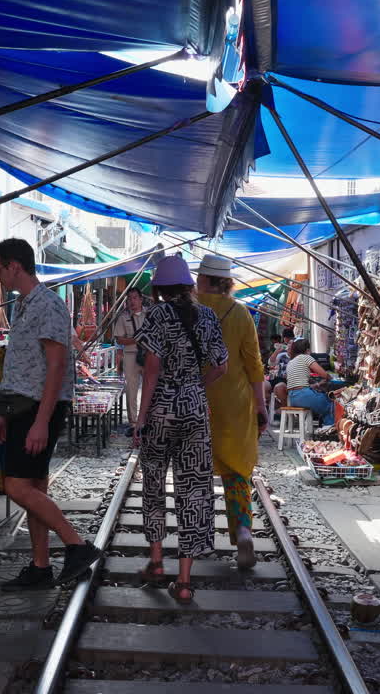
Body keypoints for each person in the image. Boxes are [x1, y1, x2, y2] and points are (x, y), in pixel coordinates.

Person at [0, 238, 100, 591]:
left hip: (40, 407)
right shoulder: (24, 305)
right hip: (23, 405)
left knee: (16, 485)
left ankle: (76, 546)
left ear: (15, 266)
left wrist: (40, 420)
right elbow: (25, 365)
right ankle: (40, 566)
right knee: (35, 485)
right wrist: (6, 413)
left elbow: (57, 367)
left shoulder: (48, 305)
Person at [133, 255, 228, 603]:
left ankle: (157, 562)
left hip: (161, 410)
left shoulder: (156, 315)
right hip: (194, 410)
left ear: (160, 288)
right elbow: (222, 366)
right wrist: (194, 387)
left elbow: (152, 370)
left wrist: (141, 420)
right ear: (189, 286)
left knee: (155, 484)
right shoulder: (208, 315)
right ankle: (185, 582)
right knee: (193, 492)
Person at [194, 254, 267, 569]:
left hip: (196, 401)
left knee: (194, 471)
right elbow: (255, 365)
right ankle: (243, 530)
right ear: (226, 282)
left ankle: (195, 537)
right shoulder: (240, 314)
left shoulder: (190, 312)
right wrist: (261, 407)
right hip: (235, 405)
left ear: (204, 280)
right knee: (237, 472)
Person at [110, 287, 146, 436]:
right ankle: (134, 423)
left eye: (135, 298)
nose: (132, 301)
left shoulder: (149, 314)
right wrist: (137, 339)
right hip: (131, 356)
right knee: (131, 390)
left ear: (141, 299)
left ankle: (148, 420)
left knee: (152, 387)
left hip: (149, 355)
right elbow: (119, 339)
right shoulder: (123, 318)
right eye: (129, 298)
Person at [285, 338, 333, 425]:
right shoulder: (306, 357)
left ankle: (325, 427)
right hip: (303, 396)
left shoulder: (291, 362)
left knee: (322, 401)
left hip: (293, 398)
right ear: (307, 350)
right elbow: (323, 374)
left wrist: (317, 384)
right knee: (330, 405)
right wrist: (330, 378)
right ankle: (329, 429)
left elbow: (298, 385)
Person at [263, 327, 295, 407]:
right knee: (263, 385)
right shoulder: (282, 355)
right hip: (278, 379)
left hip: (287, 381)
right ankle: (276, 405)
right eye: (289, 344)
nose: (289, 346)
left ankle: (283, 408)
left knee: (279, 386)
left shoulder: (297, 357)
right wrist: (277, 351)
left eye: (292, 344)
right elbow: (271, 363)